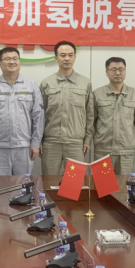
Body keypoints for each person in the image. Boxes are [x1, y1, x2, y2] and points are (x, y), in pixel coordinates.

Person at [0, 47, 44, 176]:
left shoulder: (31, 85)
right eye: (7, 59)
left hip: (24, 146)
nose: (12, 62)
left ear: (19, 62)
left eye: (15, 59)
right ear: (0, 63)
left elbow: (38, 117)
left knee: (23, 185)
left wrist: (36, 143)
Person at [40, 41, 93, 175]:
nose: (67, 58)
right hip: (51, 142)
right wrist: (38, 141)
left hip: (76, 143)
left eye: (70, 55)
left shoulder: (85, 83)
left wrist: (87, 139)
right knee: (49, 181)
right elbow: (40, 115)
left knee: (75, 183)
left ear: (75, 57)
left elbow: (90, 114)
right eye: (62, 55)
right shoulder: (47, 83)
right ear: (56, 58)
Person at [90, 57, 135, 177]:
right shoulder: (97, 94)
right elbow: (91, 121)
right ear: (106, 72)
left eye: (121, 69)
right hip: (103, 150)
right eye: (113, 69)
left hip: (126, 151)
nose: (118, 73)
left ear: (125, 71)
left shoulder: (134, 94)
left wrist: (129, 136)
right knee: (103, 185)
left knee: (123, 185)